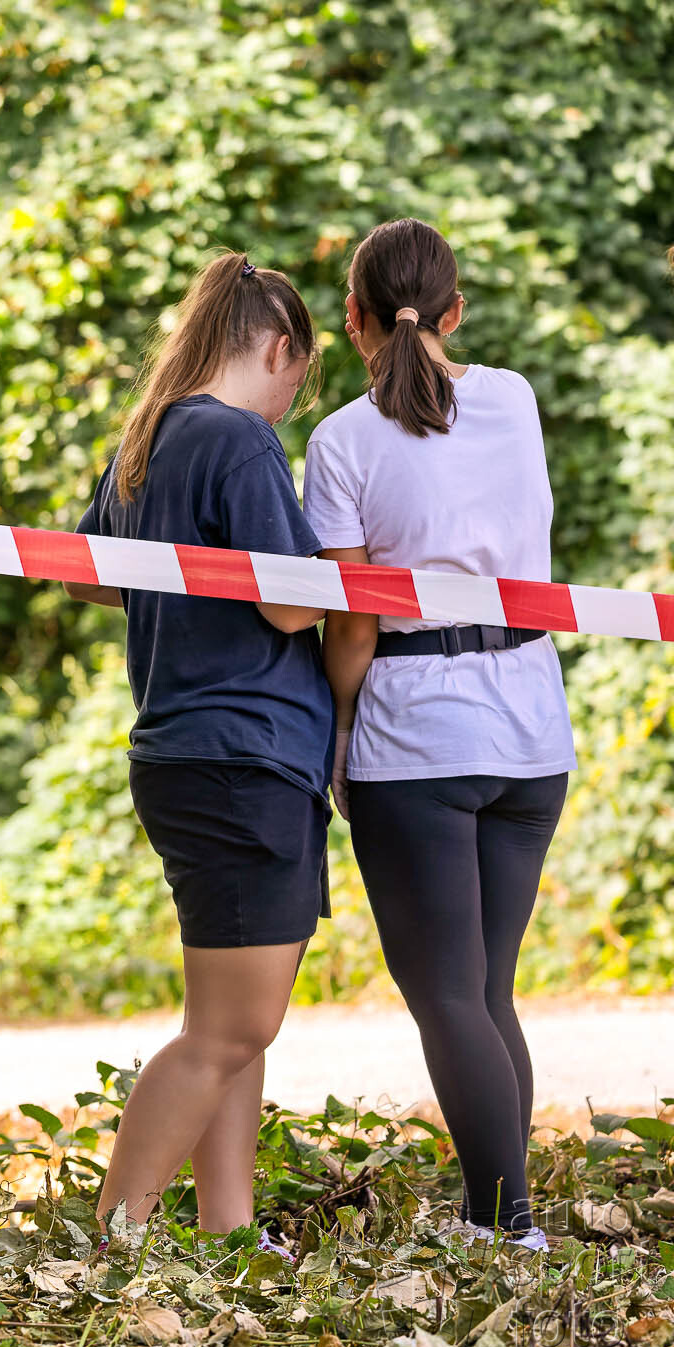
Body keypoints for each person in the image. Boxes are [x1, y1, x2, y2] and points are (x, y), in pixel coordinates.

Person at [305, 219, 572, 1250]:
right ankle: (495, 1213)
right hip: (530, 726)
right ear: (453, 312)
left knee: (447, 995)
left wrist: (338, 727)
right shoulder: (513, 400)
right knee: (486, 990)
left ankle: (507, 1224)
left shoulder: (339, 441)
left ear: (353, 317)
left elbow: (352, 625)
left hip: (416, 737)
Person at [68, 252, 328, 1240]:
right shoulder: (238, 439)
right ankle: (116, 1236)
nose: (292, 401)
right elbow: (292, 603)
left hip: (180, 748)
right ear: (277, 348)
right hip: (244, 751)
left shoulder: (149, 433)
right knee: (233, 1027)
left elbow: (87, 574)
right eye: (300, 377)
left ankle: (229, 1228)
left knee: (225, 1023)